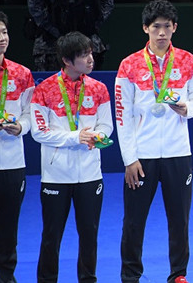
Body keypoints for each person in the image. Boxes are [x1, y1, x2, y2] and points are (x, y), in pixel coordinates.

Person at [115, 0, 193, 283]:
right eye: (156, 27)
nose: (162, 32)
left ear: (175, 27)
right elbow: (122, 116)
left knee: (180, 220)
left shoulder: (189, 61)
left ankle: (178, 274)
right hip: (142, 156)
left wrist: (188, 109)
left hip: (179, 153)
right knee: (134, 220)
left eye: (167, 26)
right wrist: (130, 158)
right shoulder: (129, 65)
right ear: (146, 28)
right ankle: (130, 276)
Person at [30, 32, 113, 283]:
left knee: (89, 234)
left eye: (90, 53)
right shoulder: (44, 90)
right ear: (67, 60)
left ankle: (88, 279)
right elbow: (39, 132)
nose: (90, 59)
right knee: (51, 235)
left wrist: (97, 136)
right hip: (55, 176)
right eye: (84, 55)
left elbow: (106, 125)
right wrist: (76, 137)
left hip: (90, 174)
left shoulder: (99, 89)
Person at [0, 8, 34, 283]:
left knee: (8, 229)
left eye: (4, 32)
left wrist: (21, 127)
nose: (2, 37)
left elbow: (30, 114)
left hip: (12, 163)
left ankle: (6, 278)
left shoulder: (22, 73)